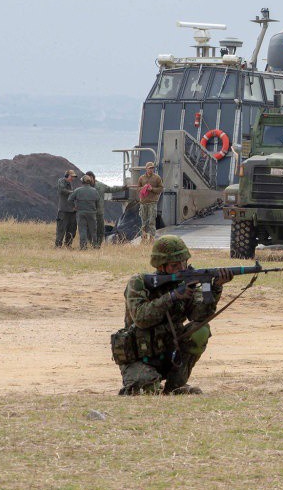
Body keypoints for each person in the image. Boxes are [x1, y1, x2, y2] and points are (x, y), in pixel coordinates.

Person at [114, 235, 231, 395]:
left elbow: (199, 316)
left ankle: (175, 386)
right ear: (161, 266)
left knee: (200, 330)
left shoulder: (186, 283)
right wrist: (172, 296)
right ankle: (149, 383)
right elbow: (141, 318)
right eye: (175, 265)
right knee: (146, 391)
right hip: (140, 358)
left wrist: (214, 288)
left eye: (183, 263)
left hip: (170, 353)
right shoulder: (139, 283)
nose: (181, 269)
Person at [86, 171, 124, 247]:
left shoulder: (100, 186)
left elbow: (111, 189)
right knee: (89, 228)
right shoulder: (85, 188)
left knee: (100, 229)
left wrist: (123, 188)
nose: (88, 180)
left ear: (93, 178)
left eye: (89, 178)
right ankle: (90, 243)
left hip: (99, 212)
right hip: (89, 212)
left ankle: (98, 244)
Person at [68, 175, 101, 250]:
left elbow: (70, 199)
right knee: (93, 230)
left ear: (82, 181)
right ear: (90, 182)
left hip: (81, 212)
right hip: (92, 213)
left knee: (82, 230)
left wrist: (74, 207)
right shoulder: (94, 191)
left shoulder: (78, 190)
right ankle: (95, 246)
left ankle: (83, 247)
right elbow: (98, 202)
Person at [136, 162, 163, 242]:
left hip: (152, 203)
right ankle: (143, 238)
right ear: (146, 169)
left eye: (152, 168)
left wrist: (152, 189)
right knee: (143, 221)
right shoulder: (141, 178)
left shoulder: (157, 178)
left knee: (152, 221)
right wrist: (143, 188)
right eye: (149, 168)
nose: (151, 169)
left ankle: (152, 238)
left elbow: (161, 189)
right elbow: (138, 189)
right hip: (143, 203)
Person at [55, 170, 77, 248]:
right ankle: (58, 246)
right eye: (71, 177)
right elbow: (62, 190)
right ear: (67, 175)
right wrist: (73, 192)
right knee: (61, 230)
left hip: (72, 211)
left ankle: (68, 245)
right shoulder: (61, 181)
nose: (72, 178)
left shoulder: (69, 184)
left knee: (72, 230)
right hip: (63, 211)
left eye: (73, 177)